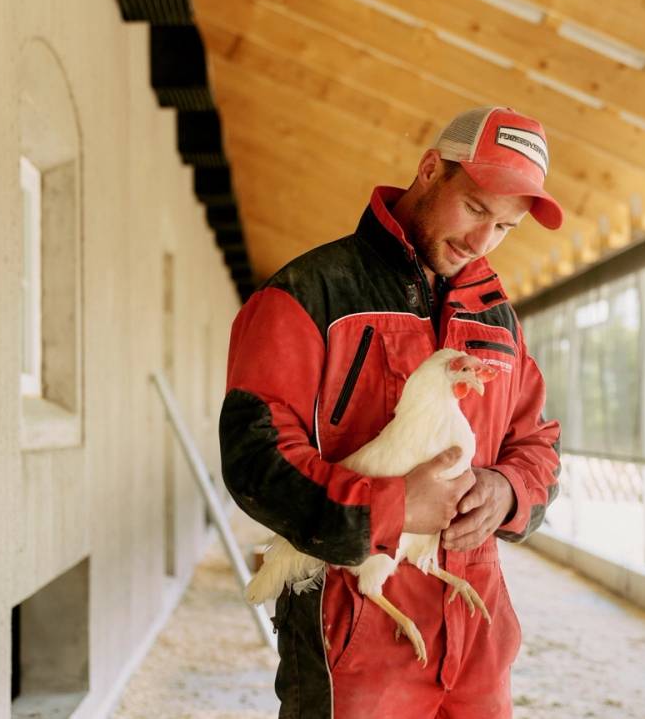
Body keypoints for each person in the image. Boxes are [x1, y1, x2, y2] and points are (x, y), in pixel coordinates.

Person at [220, 106, 563, 719]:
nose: (481, 242)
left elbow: (536, 444)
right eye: (477, 209)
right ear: (430, 170)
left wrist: (506, 491)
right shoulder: (308, 295)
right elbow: (256, 459)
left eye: (505, 227)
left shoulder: (497, 319)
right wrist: (396, 504)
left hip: (474, 628)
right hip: (351, 625)